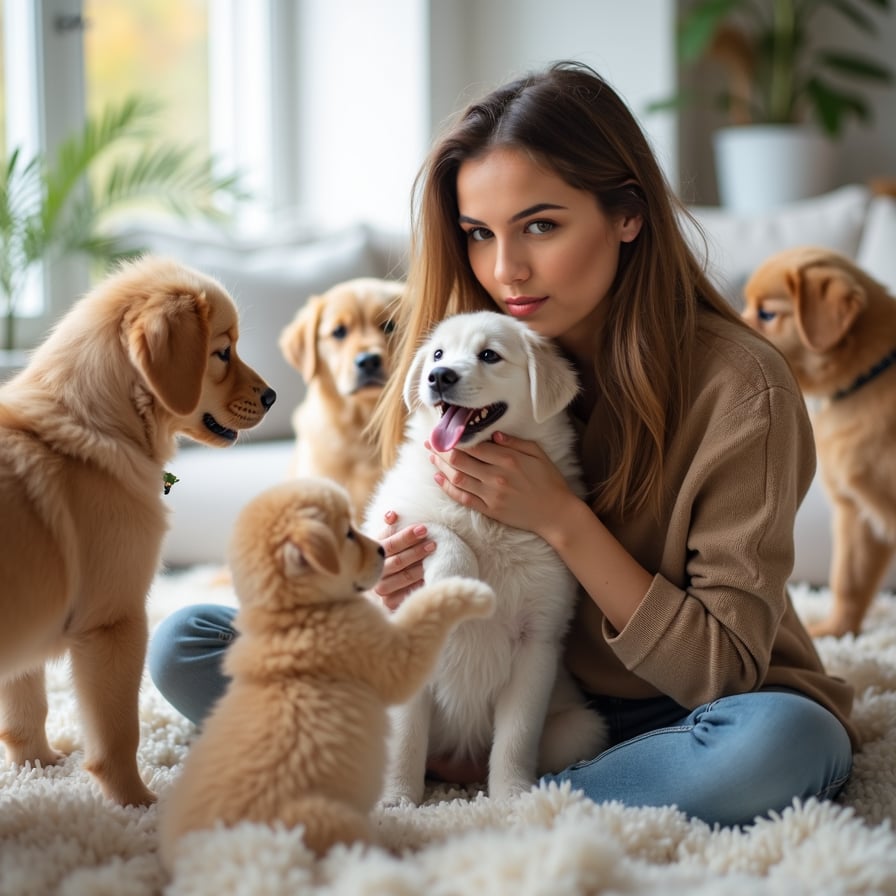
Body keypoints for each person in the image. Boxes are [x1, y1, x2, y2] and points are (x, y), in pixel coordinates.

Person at [149, 61, 856, 828]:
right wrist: (376, 591)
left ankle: (526, 789)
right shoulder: (457, 356)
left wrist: (562, 519)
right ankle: (457, 761)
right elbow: (390, 587)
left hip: (666, 714)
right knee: (189, 641)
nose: (505, 269)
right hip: (462, 692)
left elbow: (720, 672)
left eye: (541, 226)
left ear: (627, 214)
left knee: (788, 742)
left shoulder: (741, 386)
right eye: (479, 235)